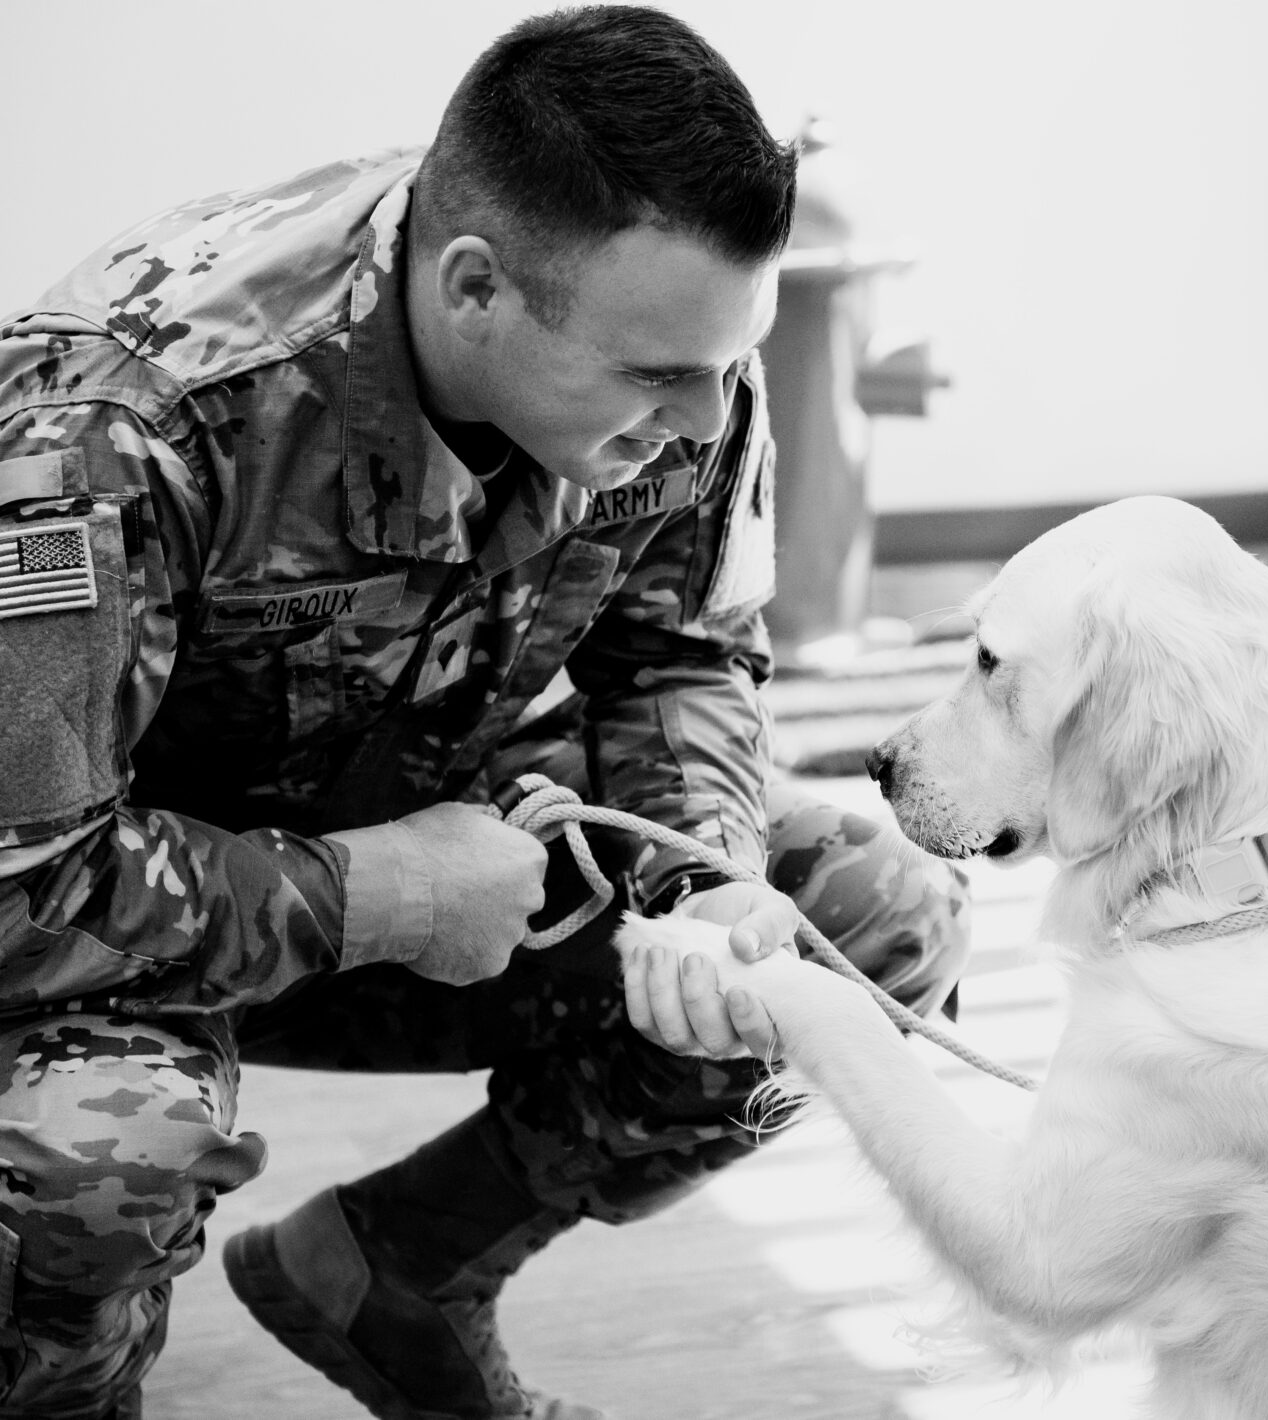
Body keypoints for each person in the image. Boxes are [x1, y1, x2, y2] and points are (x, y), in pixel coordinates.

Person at [0, 7, 971, 1418]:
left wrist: (710, 879)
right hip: (119, 923)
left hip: (442, 836)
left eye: (728, 365)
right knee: (99, 1159)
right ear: (473, 292)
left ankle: (395, 1274)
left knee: (868, 927)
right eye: (658, 380)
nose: (708, 424)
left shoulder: (677, 340)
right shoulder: (119, 418)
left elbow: (688, 656)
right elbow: (22, 884)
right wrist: (370, 897)